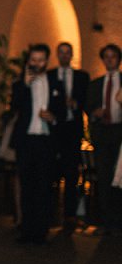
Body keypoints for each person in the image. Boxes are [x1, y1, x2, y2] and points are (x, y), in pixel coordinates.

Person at [10, 44, 66, 244]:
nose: (37, 64)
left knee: (44, 186)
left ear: (47, 61)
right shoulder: (19, 83)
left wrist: (53, 118)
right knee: (27, 186)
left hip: (46, 141)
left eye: (41, 60)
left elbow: (61, 112)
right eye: (33, 60)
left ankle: (41, 232)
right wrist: (25, 85)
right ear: (28, 60)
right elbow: (14, 106)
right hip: (26, 141)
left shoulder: (55, 83)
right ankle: (26, 230)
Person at [47, 42, 89, 232]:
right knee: (52, 173)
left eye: (67, 53)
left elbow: (86, 101)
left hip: (72, 131)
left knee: (72, 174)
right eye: (61, 53)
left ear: (72, 55)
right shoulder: (50, 76)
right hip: (55, 130)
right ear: (58, 54)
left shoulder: (81, 77)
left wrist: (75, 104)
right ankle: (50, 212)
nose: (64, 56)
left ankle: (69, 215)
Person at [84, 43, 122, 236]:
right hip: (102, 133)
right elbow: (88, 107)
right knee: (104, 177)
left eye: (113, 56)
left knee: (119, 177)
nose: (109, 60)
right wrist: (94, 114)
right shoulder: (96, 84)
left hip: (119, 134)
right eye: (106, 56)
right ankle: (106, 220)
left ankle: (118, 220)